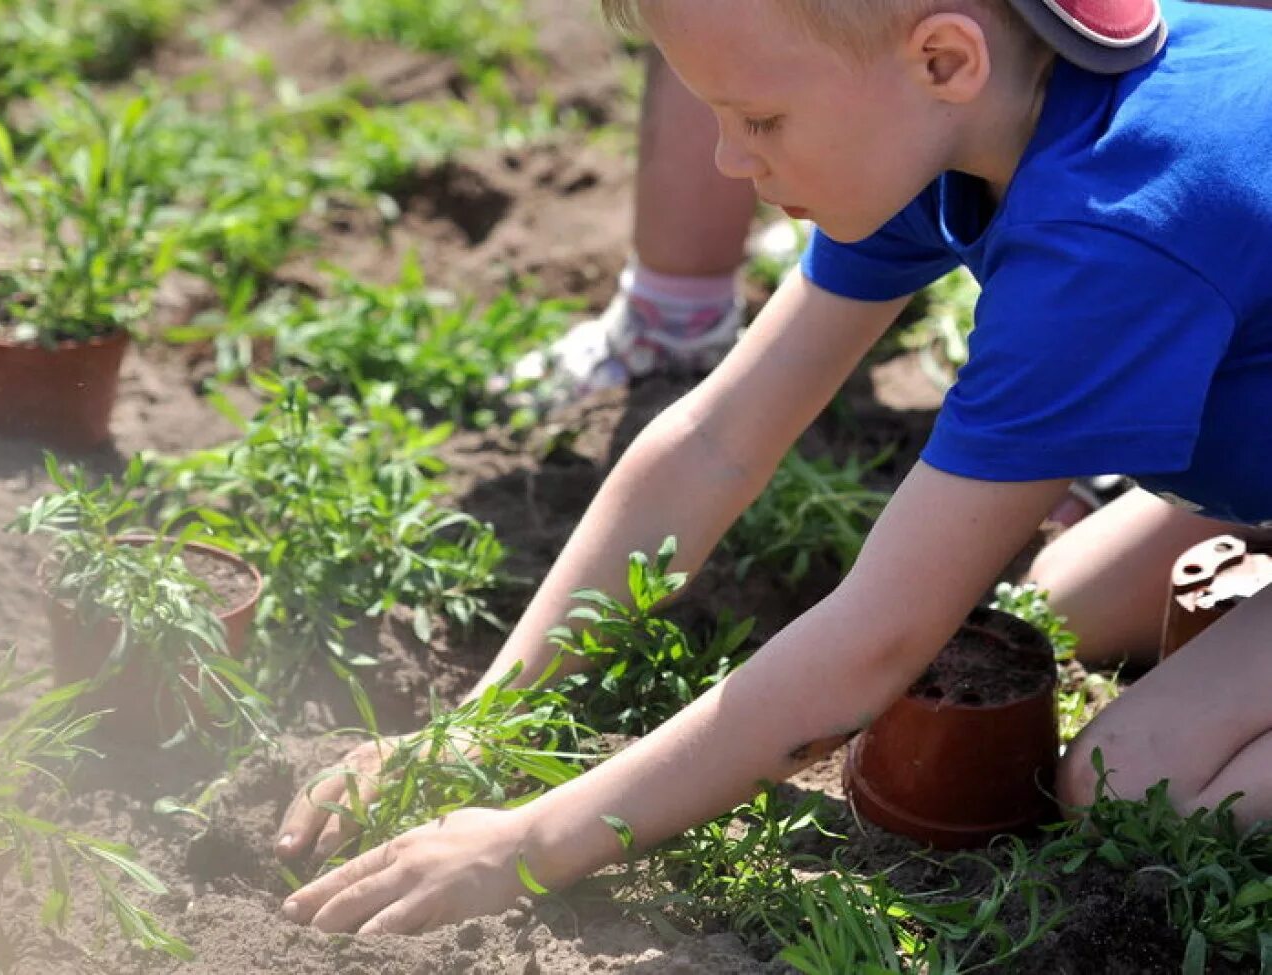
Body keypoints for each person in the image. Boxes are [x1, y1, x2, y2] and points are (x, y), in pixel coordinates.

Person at [275, 0, 1272, 936]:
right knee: (1053, 602)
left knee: (1137, 780)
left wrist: (530, 841)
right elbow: (717, 440)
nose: (725, 157)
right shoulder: (968, 107)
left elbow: (875, 641)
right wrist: (481, 726)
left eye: (757, 118)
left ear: (943, 58)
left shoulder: (1113, 227)